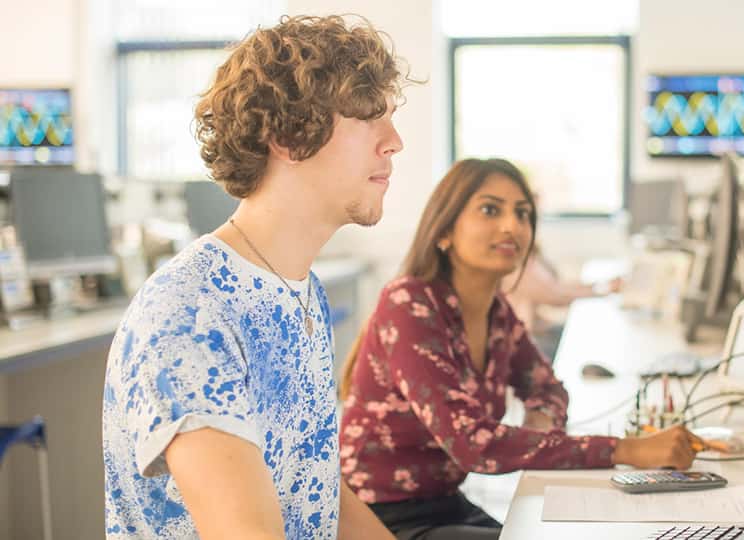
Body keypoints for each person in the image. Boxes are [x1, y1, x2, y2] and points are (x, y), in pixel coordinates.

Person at [102, 15, 407, 540]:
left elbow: (316, 488)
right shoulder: (190, 315)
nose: (394, 141)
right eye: (367, 117)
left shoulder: (300, 290)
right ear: (288, 136)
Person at [338, 158, 702, 540]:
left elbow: (548, 387)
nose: (512, 226)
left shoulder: (498, 313)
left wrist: (542, 423)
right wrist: (628, 450)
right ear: (444, 232)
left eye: (523, 213)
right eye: (490, 210)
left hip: (445, 501)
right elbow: (473, 445)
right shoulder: (409, 304)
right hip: (380, 520)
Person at [503, 242, 622, 361]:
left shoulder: (529, 257)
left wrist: (601, 285)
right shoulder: (516, 267)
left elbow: (558, 287)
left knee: (586, 334)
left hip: (539, 331)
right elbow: (556, 296)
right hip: (527, 342)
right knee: (584, 344)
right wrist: (601, 291)